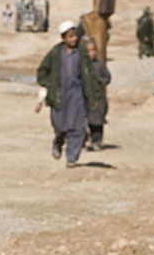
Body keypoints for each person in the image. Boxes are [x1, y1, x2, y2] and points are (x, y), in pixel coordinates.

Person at [36, 20, 103, 167]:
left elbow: (90, 75)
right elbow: (42, 71)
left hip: (77, 95)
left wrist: (93, 96)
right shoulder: (55, 53)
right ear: (63, 38)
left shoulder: (82, 53)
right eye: (70, 37)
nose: (74, 39)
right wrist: (49, 85)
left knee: (78, 127)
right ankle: (58, 142)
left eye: (75, 36)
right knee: (60, 125)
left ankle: (72, 158)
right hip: (60, 95)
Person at [85, 39, 111, 151]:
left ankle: (97, 141)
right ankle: (83, 140)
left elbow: (107, 77)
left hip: (98, 98)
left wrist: (101, 81)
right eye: (89, 51)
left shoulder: (100, 65)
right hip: (85, 98)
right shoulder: (82, 65)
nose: (92, 53)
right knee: (84, 122)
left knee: (97, 122)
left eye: (93, 50)